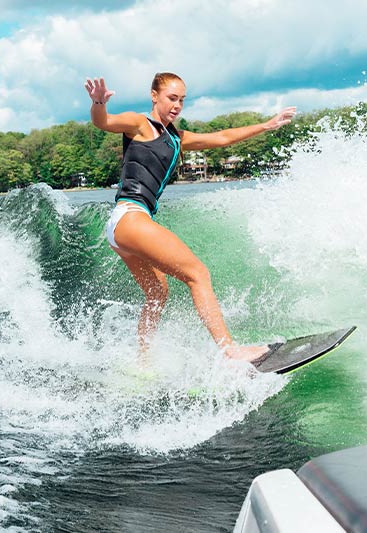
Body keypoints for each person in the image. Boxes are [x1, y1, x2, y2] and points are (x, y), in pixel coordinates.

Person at [85, 73, 296, 362]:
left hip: (121, 226)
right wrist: (98, 102)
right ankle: (230, 350)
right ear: (154, 95)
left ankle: (143, 361)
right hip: (131, 216)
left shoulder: (176, 138)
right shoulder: (140, 124)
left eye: (182, 100)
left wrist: (266, 125)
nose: (177, 105)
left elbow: (221, 138)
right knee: (198, 275)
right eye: (172, 98)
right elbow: (103, 122)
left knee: (158, 292)